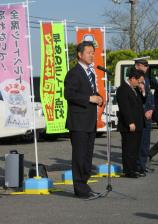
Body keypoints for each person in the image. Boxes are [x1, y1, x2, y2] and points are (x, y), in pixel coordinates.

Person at [64, 41, 103, 199]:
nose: (92, 55)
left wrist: (99, 99)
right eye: (88, 52)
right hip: (78, 122)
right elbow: (69, 95)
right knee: (79, 156)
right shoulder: (74, 73)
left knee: (87, 156)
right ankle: (80, 189)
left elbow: (93, 93)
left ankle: (85, 186)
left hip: (89, 121)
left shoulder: (91, 73)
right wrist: (89, 98)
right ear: (80, 55)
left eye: (93, 52)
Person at [116, 67, 146, 178]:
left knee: (135, 148)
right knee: (129, 148)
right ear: (132, 78)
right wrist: (130, 122)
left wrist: (143, 92)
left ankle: (134, 168)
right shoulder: (123, 89)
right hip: (129, 124)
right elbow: (125, 108)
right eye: (139, 81)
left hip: (138, 123)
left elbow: (142, 102)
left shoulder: (136, 89)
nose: (139, 83)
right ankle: (128, 170)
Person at [134, 59, 154, 176]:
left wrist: (151, 108)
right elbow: (137, 100)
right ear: (137, 66)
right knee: (140, 142)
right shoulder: (135, 79)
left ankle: (143, 164)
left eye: (147, 66)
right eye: (144, 65)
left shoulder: (146, 79)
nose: (146, 68)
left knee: (146, 142)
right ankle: (139, 166)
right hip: (141, 115)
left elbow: (149, 96)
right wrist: (144, 111)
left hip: (148, 114)